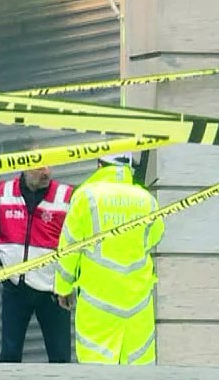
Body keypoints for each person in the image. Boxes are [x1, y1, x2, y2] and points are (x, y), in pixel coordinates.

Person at [54, 152, 164, 365]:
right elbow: (155, 237)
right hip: (137, 302)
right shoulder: (146, 200)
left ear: (99, 165)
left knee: (97, 368)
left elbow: (69, 246)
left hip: (97, 302)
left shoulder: (87, 196)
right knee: (138, 370)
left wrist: (63, 288)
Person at [0, 150, 74, 363]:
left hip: (53, 290)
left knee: (61, 358)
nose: (46, 172)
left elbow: (79, 239)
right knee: (9, 356)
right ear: (25, 167)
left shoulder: (66, 196)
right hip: (15, 287)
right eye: (40, 167)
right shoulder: (5, 193)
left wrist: (70, 283)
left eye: (49, 166)